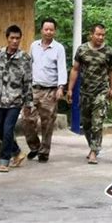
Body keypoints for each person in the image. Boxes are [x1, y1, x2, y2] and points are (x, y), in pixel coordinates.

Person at [0, 25, 32, 173]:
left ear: (20, 39)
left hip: (15, 101)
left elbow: (28, 81)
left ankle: (4, 161)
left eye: (17, 38)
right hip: (0, 100)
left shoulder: (24, 58)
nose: (15, 41)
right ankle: (17, 153)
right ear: (7, 39)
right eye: (12, 38)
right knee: (0, 130)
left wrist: (28, 103)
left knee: (8, 130)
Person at [67, 24, 112, 165]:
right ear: (91, 34)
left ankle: (94, 151)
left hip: (101, 91)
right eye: (98, 34)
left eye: (103, 35)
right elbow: (75, 69)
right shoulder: (82, 50)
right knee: (87, 124)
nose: (101, 37)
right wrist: (70, 89)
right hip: (85, 92)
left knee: (97, 122)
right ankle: (93, 146)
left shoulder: (109, 52)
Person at [23, 18, 67, 163]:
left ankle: (44, 151)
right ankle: (34, 146)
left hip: (50, 91)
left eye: (51, 29)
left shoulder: (58, 48)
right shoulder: (34, 46)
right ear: (41, 30)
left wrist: (61, 87)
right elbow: (29, 66)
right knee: (27, 119)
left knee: (47, 123)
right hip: (33, 89)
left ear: (55, 31)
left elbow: (62, 68)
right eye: (46, 29)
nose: (48, 32)